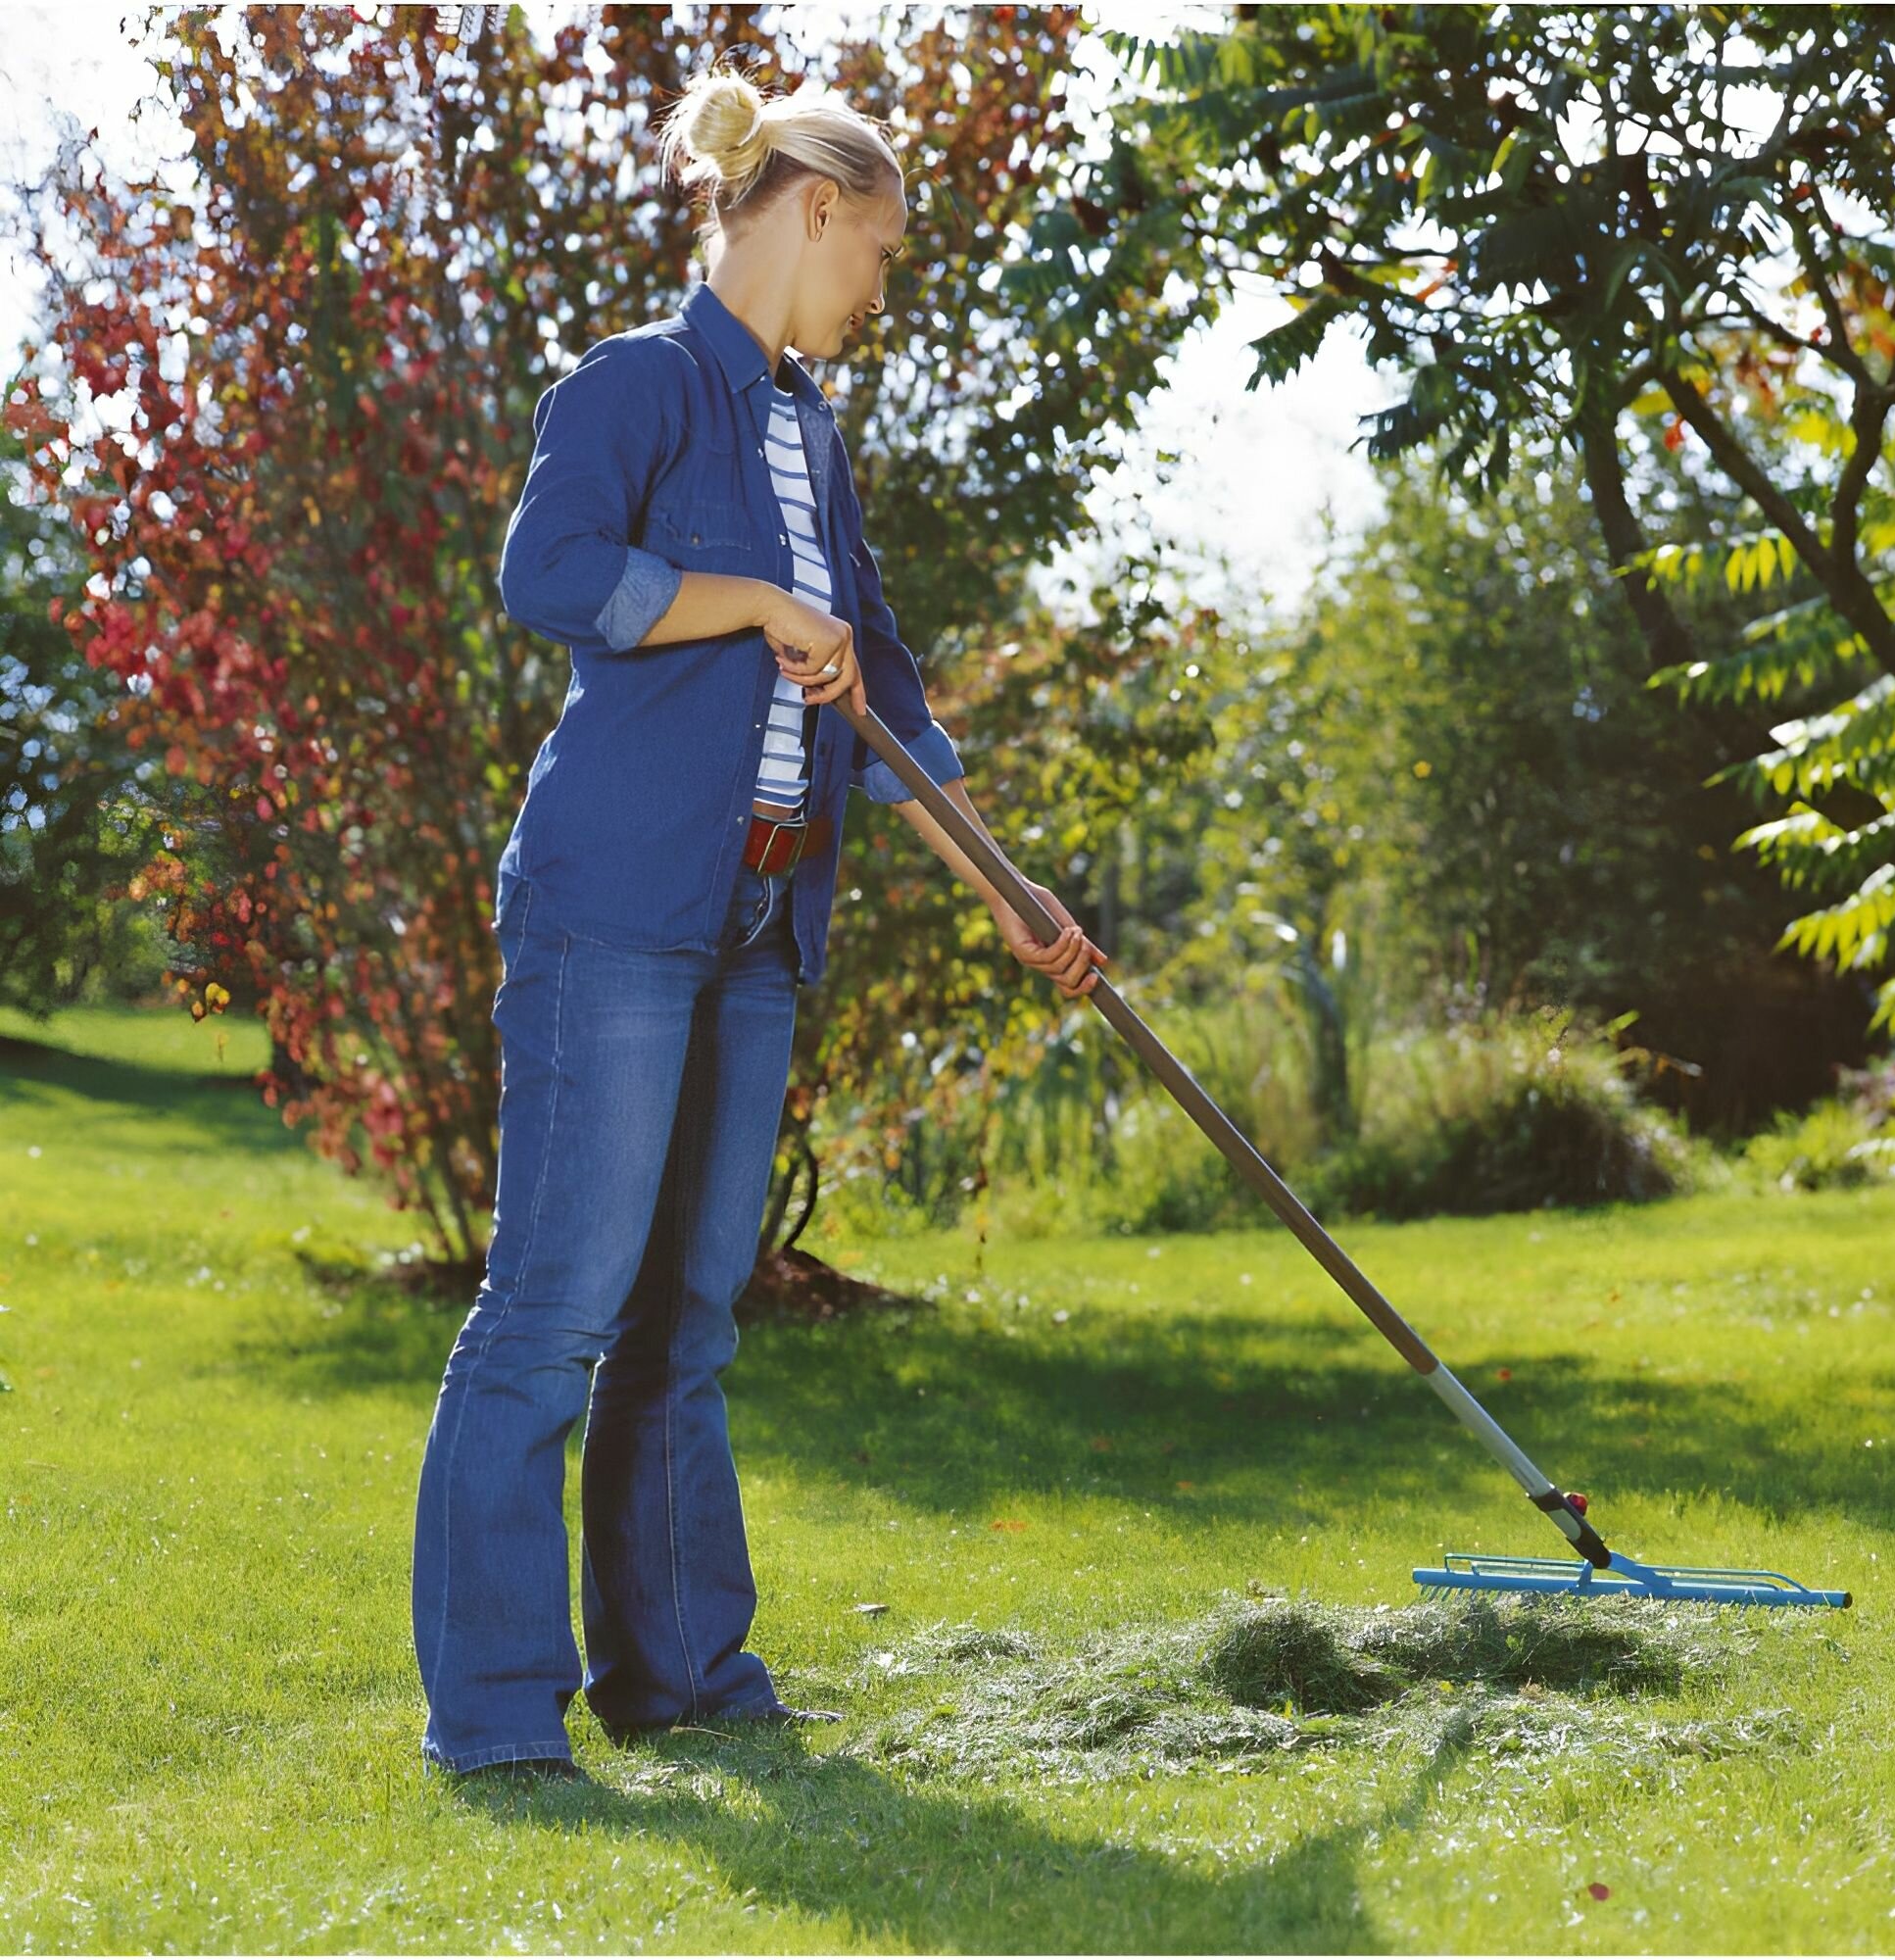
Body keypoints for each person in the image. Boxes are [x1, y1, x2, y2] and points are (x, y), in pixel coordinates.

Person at [410, 62, 1109, 1782]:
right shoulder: (637, 385)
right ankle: (500, 1720)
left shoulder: (813, 435)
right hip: (615, 912)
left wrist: (1008, 890)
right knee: (555, 1309)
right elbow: (553, 575)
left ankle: (684, 1678)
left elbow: (884, 699)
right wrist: (750, 601)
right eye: (873, 251)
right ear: (809, 214)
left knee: (689, 1318)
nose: (878, 292)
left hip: (758, 925)